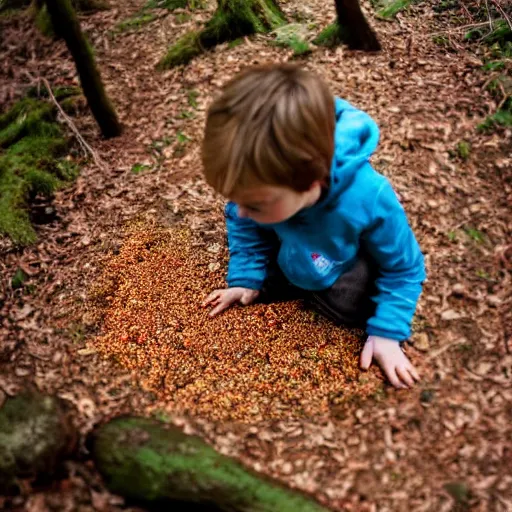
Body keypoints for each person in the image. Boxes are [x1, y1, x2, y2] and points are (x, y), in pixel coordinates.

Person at [201, 63, 426, 389]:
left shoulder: (367, 198)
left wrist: (387, 332)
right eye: (236, 198)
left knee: (353, 307)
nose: (240, 212)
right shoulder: (267, 190)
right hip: (293, 248)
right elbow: (242, 221)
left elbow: (404, 269)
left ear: (310, 184)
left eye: (254, 204)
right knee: (263, 260)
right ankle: (281, 280)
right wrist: (246, 276)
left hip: (339, 262)